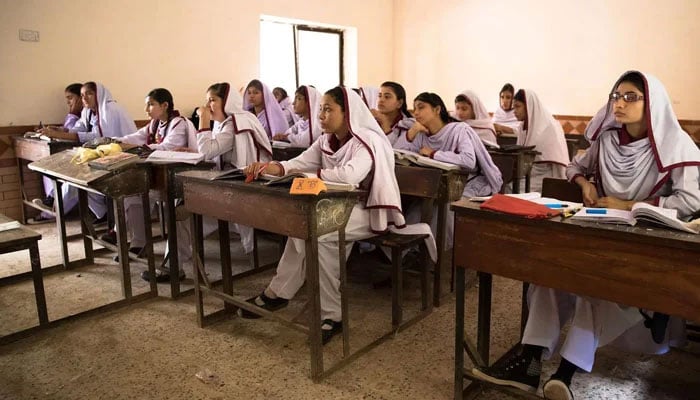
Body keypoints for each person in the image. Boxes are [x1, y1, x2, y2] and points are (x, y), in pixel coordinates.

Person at [472, 71, 699, 400]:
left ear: (652, 104)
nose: (619, 104)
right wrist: (585, 183)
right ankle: (530, 364)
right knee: (547, 278)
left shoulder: (676, 145)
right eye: (616, 96)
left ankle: (564, 375)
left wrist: (630, 204)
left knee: (596, 289)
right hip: (602, 234)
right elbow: (574, 167)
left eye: (631, 97)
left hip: (648, 249)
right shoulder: (607, 139)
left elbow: (691, 202)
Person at [241, 87, 409, 344]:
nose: (321, 115)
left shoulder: (366, 140)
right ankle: (300, 302)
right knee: (307, 227)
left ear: (348, 112)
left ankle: (294, 299)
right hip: (338, 207)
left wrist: (308, 176)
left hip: (369, 211)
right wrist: (272, 167)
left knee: (319, 231)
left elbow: (349, 176)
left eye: (329, 109)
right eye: (321, 108)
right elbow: (297, 163)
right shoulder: (326, 140)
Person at [154, 82, 272, 282]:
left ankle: (173, 265)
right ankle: (173, 263)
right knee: (181, 210)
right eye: (207, 100)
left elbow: (208, 150)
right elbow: (216, 152)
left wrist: (203, 121)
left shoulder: (236, 123)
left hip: (245, 189)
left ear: (226, 102)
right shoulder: (231, 122)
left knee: (183, 210)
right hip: (229, 185)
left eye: (212, 100)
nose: (208, 105)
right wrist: (192, 151)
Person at [394, 92, 502, 249]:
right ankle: (414, 254)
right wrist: (412, 132)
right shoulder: (421, 133)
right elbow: (396, 154)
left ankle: (442, 255)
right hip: (438, 185)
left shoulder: (459, 130)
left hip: (470, 183)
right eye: (415, 108)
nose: (416, 113)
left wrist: (433, 153)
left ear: (437, 110)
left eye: (421, 107)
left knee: (444, 210)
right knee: (415, 213)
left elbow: (468, 161)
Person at [108, 88, 196, 262]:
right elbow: (136, 137)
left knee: (171, 210)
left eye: (151, 104)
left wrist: (135, 148)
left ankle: (176, 257)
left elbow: (168, 147)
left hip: (178, 179)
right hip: (158, 176)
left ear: (164, 105)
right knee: (132, 196)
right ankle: (140, 243)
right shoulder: (155, 124)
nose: (146, 109)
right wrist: (116, 141)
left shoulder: (179, 123)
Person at [40, 82, 136, 223]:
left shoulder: (109, 109)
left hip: (121, 155)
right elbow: (80, 128)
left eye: (89, 94)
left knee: (76, 178)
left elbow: (99, 137)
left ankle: (55, 204)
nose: (85, 98)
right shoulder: (88, 111)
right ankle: (101, 214)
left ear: (99, 94)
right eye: (83, 95)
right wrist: (61, 130)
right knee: (78, 179)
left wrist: (60, 135)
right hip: (103, 154)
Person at [30, 83, 84, 223]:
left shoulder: (87, 113)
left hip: (85, 157)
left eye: (71, 98)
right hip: (79, 155)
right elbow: (71, 130)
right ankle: (50, 204)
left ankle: (52, 210)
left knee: (69, 178)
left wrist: (72, 113)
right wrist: (58, 130)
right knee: (54, 171)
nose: (68, 102)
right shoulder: (84, 114)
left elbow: (78, 132)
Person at [511, 88, 569, 192]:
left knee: (511, 188)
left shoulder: (550, 127)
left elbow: (558, 164)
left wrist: (560, 187)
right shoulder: (522, 127)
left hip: (546, 176)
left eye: (518, 107)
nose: (514, 111)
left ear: (529, 107)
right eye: (513, 107)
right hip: (528, 173)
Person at [371, 81, 415, 146]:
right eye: (380, 96)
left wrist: (384, 124)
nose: (381, 100)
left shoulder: (408, 124)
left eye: (387, 97)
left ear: (399, 103)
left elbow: (395, 149)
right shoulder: (373, 119)